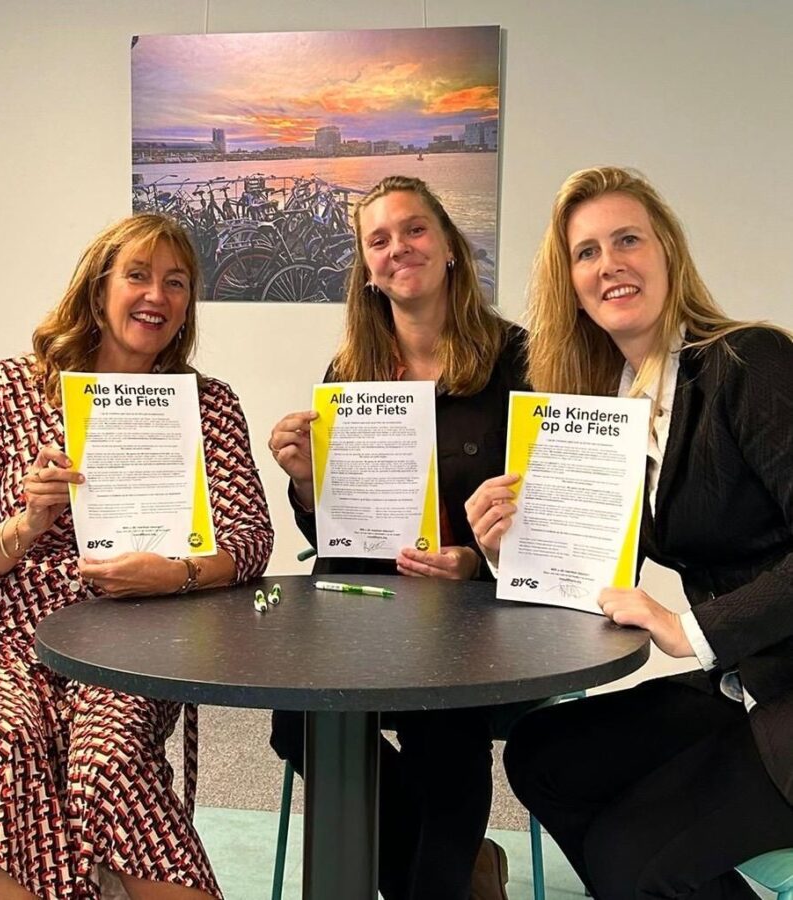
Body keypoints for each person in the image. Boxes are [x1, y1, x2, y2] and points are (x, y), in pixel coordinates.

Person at [466, 166, 793, 899]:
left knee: (627, 854)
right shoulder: (614, 404)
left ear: (666, 253)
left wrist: (689, 629)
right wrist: (507, 548)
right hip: (743, 686)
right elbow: (592, 567)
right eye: (585, 252)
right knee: (542, 753)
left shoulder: (749, 362)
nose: (608, 264)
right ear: (571, 281)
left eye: (626, 240)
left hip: (784, 696)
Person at [0, 213, 274, 900]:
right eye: (138, 275)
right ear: (98, 287)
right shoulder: (10, 390)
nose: (157, 296)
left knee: (103, 761)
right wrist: (29, 520)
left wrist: (174, 575)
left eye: (176, 283)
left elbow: (251, 541)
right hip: (12, 637)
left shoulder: (208, 405)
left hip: (139, 640)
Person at [267, 175, 529, 900]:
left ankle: (434, 884)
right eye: (377, 240)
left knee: (442, 735)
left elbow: (550, 510)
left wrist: (474, 561)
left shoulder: (518, 361)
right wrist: (304, 484)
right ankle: (461, 869)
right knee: (299, 723)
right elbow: (328, 532)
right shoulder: (348, 373)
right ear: (366, 268)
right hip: (361, 608)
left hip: (478, 617)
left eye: (413, 230)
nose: (397, 249)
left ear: (448, 246)